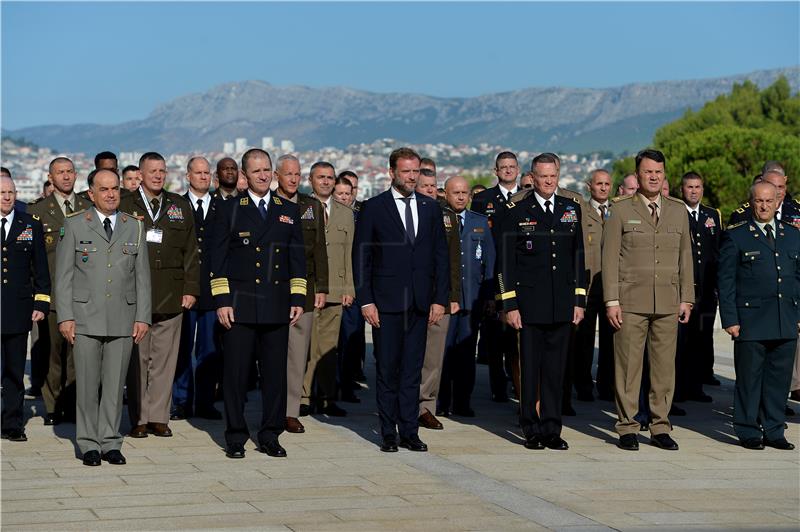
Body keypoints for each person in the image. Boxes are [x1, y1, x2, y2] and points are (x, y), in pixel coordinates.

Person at [209, 148, 306, 459]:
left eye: (267, 170)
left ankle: (270, 434)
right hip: (240, 306)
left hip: (277, 304)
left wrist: (298, 297)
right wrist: (222, 300)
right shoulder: (229, 209)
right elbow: (217, 259)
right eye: (256, 171)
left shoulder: (287, 209)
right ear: (244, 175)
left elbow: (297, 258)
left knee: (275, 376)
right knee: (236, 376)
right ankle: (236, 435)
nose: (263, 175)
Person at [353, 147, 449, 453]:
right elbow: (362, 257)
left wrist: (439, 299)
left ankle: (410, 431)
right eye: (406, 171)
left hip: (420, 303)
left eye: (416, 171)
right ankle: (388, 432)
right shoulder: (374, 208)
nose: (411, 177)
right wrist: (366, 300)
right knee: (387, 370)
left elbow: (440, 258)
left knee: (412, 370)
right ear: (391, 172)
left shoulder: (430, 208)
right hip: (386, 302)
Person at [55, 169, 151, 466]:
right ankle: (88, 444)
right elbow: (63, 277)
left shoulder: (133, 226)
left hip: (123, 317)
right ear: (91, 194)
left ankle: (111, 441)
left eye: (115, 189)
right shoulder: (74, 226)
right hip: (84, 317)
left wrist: (143, 317)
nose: (111, 194)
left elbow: (142, 277)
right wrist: (65, 317)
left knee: (114, 384)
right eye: (104, 189)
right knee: (86, 382)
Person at [602, 149, 694, 451]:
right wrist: (611, 300)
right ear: (637, 175)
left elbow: (685, 257)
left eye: (658, 171)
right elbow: (610, 257)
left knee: (664, 369)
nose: (653, 176)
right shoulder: (620, 210)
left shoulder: (678, 210)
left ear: (664, 174)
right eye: (647, 172)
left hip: (668, 301)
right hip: (630, 302)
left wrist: (687, 298)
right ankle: (627, 426)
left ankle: (660, 427)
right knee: (628, 368)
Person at [496, 153, 586, 450]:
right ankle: (530, 428)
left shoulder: (570, 209)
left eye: (553, 176)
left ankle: (552, 428)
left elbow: (577, 257)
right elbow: (505, 263)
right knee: (530, 370)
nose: (548, 182)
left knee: (555, 371)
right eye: (543, 177)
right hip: (529, 305)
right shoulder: (517, 210)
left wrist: (579, 300)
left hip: (561, 304)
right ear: (532, 178)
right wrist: (510, 305)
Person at [120, 152, 199, 439]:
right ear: (139, 174)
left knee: (165, 360)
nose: (158, 176)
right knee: (137, 361)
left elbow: (191, 250)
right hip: (134, 295)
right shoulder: (125, 204)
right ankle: (139, 418)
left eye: (162, 171)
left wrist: (191, 288)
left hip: (171, 293)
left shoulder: (178, 205)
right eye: (152, 171)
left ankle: (159, 417)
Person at [718, 180, 798, 451]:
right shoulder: (736, 235)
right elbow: (726, 281)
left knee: (779, 380)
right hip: (750, 321)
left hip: (785, 317)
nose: (764, 206)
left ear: (778, 203)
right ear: (751, 202)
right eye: (759, 201)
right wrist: (730, 319)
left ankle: (774, 430)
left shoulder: (793, 234)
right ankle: (748, 429)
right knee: (749, 380)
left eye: (769, 201)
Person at [28, 157, 91, 424]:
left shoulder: (90, 208)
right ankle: (52, 407)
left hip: (85, 294)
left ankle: (74, 404)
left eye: (69, 172)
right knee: (52, 353)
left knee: (79, 354)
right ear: (50, 178)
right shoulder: (38, 212)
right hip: (53, 294)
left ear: (76, 175)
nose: (65, 177)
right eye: (59, 173)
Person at [274, 155, 327, 433]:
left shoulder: (311, 206)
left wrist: (322, 287)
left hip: (303, 289)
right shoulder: (268, 204)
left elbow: (319, 248)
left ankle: (291, 410)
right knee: (271, 353)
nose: (293, 179)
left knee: (297, 354)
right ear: (277, 175)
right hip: (271, 289)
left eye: (297, 174)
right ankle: (273, 407)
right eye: (288, 174)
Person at [171, 157, 223, 421]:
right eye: (198, 173)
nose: (203, 177)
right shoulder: (176, 207)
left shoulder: (222, 206)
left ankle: (205, 401)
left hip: (213, 290)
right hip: (185, 290)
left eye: (207, 173)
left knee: (209, 349)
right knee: (181, 347)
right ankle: (181, 400)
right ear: (188, 176)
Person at [439, 176, 495, 417]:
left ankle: (462, 401)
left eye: (464, 193)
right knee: (443, 352)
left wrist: (490, 297)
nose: (461, 197)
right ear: (446, 194)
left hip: (472, 299)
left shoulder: (479, 222)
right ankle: (440, 401)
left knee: (465, 353)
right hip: (445, 300)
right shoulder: (437, 220)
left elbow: (490, 262)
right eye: (456, 193)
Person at [302, 161, 354, 417]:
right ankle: (303, 396)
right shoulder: (300, 208)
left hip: (336, 288)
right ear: (310, 180)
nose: (326, 181)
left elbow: (350, 253)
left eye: (330, 178)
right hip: (309, 289)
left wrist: (349, 288)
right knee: (307, 347)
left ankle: (327, 398)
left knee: (329, 348)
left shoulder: (346, 213)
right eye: (321, 177)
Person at [0, 175, 50, 442]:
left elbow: (40, 268)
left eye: (11, 192)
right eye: (2, 192)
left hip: (18, 310)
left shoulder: (29, 224)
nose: (7, 197)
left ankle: (12, 423)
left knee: (15, 370)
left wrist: (41, 302)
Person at [414, 158, 461, 430]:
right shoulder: (405, 214)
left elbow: (453, 261)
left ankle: (426, 406)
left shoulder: (448, 216)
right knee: (410, 355)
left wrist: (452, 297)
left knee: (433, 357)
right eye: (425, 186)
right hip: (412, 296)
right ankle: (405, 403)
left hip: (439, 297)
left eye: (434, 186)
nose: (431, 190)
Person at [470, 152, 521, 403]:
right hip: (491, 273)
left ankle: (517, 383)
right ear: (496, 170)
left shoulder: (527, 197)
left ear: (518, 169)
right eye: (504, 167)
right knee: (493, 336)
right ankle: (497, 384)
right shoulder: (482, 200)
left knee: (516, 337)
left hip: (518, 275)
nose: (508, 171)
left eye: (512, 167)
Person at [675, 172, 720, 402]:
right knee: (682, 342)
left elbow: (716, 253)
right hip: (684, 291)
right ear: (682, 189)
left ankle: (696, 386)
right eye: (689, 187)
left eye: (698, 187)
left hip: (706, 291)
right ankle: (679, 388)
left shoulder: (712, 215)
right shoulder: (675, 212)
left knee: (701, 340)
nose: (694, 191)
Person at [573, 169, 614, 402]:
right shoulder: (581, 212)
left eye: (607, 184)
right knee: (584, 341)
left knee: (610, 341)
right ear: (589, 186)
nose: (603, 188)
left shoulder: (617, 212)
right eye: (599, 184)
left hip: (610, 287)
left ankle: (607, 386)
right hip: (588, 287)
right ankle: (583, 385)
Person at [337, 170, 367, 402]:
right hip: (333, 286)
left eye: (350, 192)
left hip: (354, 286)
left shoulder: (362, 213)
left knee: (351, 339)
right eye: (342, 192)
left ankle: (347, 383)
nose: (346, 196)